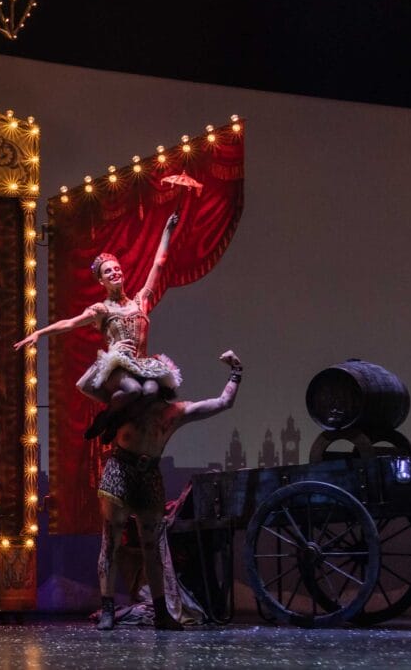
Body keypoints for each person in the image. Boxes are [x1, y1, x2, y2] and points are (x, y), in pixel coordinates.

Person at [95, 350, 243, 631]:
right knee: (111, 542)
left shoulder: (174, 412)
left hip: (148, 474)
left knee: (151, 546)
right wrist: (113, 355)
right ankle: (107, 609)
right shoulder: (125, 406)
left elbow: (223, 403)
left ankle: (162, 612)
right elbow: (88, 384)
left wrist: (236, 372)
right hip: (120, 470)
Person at [15, 213, 182, 423]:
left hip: (142, 365)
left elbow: (158, 264)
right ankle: (106, 420)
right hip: (118, 366)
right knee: (132, 389)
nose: (114, 273)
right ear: (101, 281)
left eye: (117, 269)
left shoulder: (141, 301)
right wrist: (40, 332)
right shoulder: (101, 309)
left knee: (149, 391)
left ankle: (128, 425)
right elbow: (70, 323)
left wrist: (168, 230)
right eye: (108, 271)